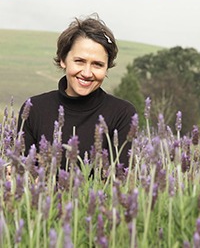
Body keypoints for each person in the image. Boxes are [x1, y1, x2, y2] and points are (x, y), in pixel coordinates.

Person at [18, 16, 137, 167]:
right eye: (79, 61)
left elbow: (121, 178)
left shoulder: (122, 113)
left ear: (107, 68)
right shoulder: (34, 109)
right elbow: (22, 174)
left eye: (97, 65)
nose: (87, 73)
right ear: (63, 60)